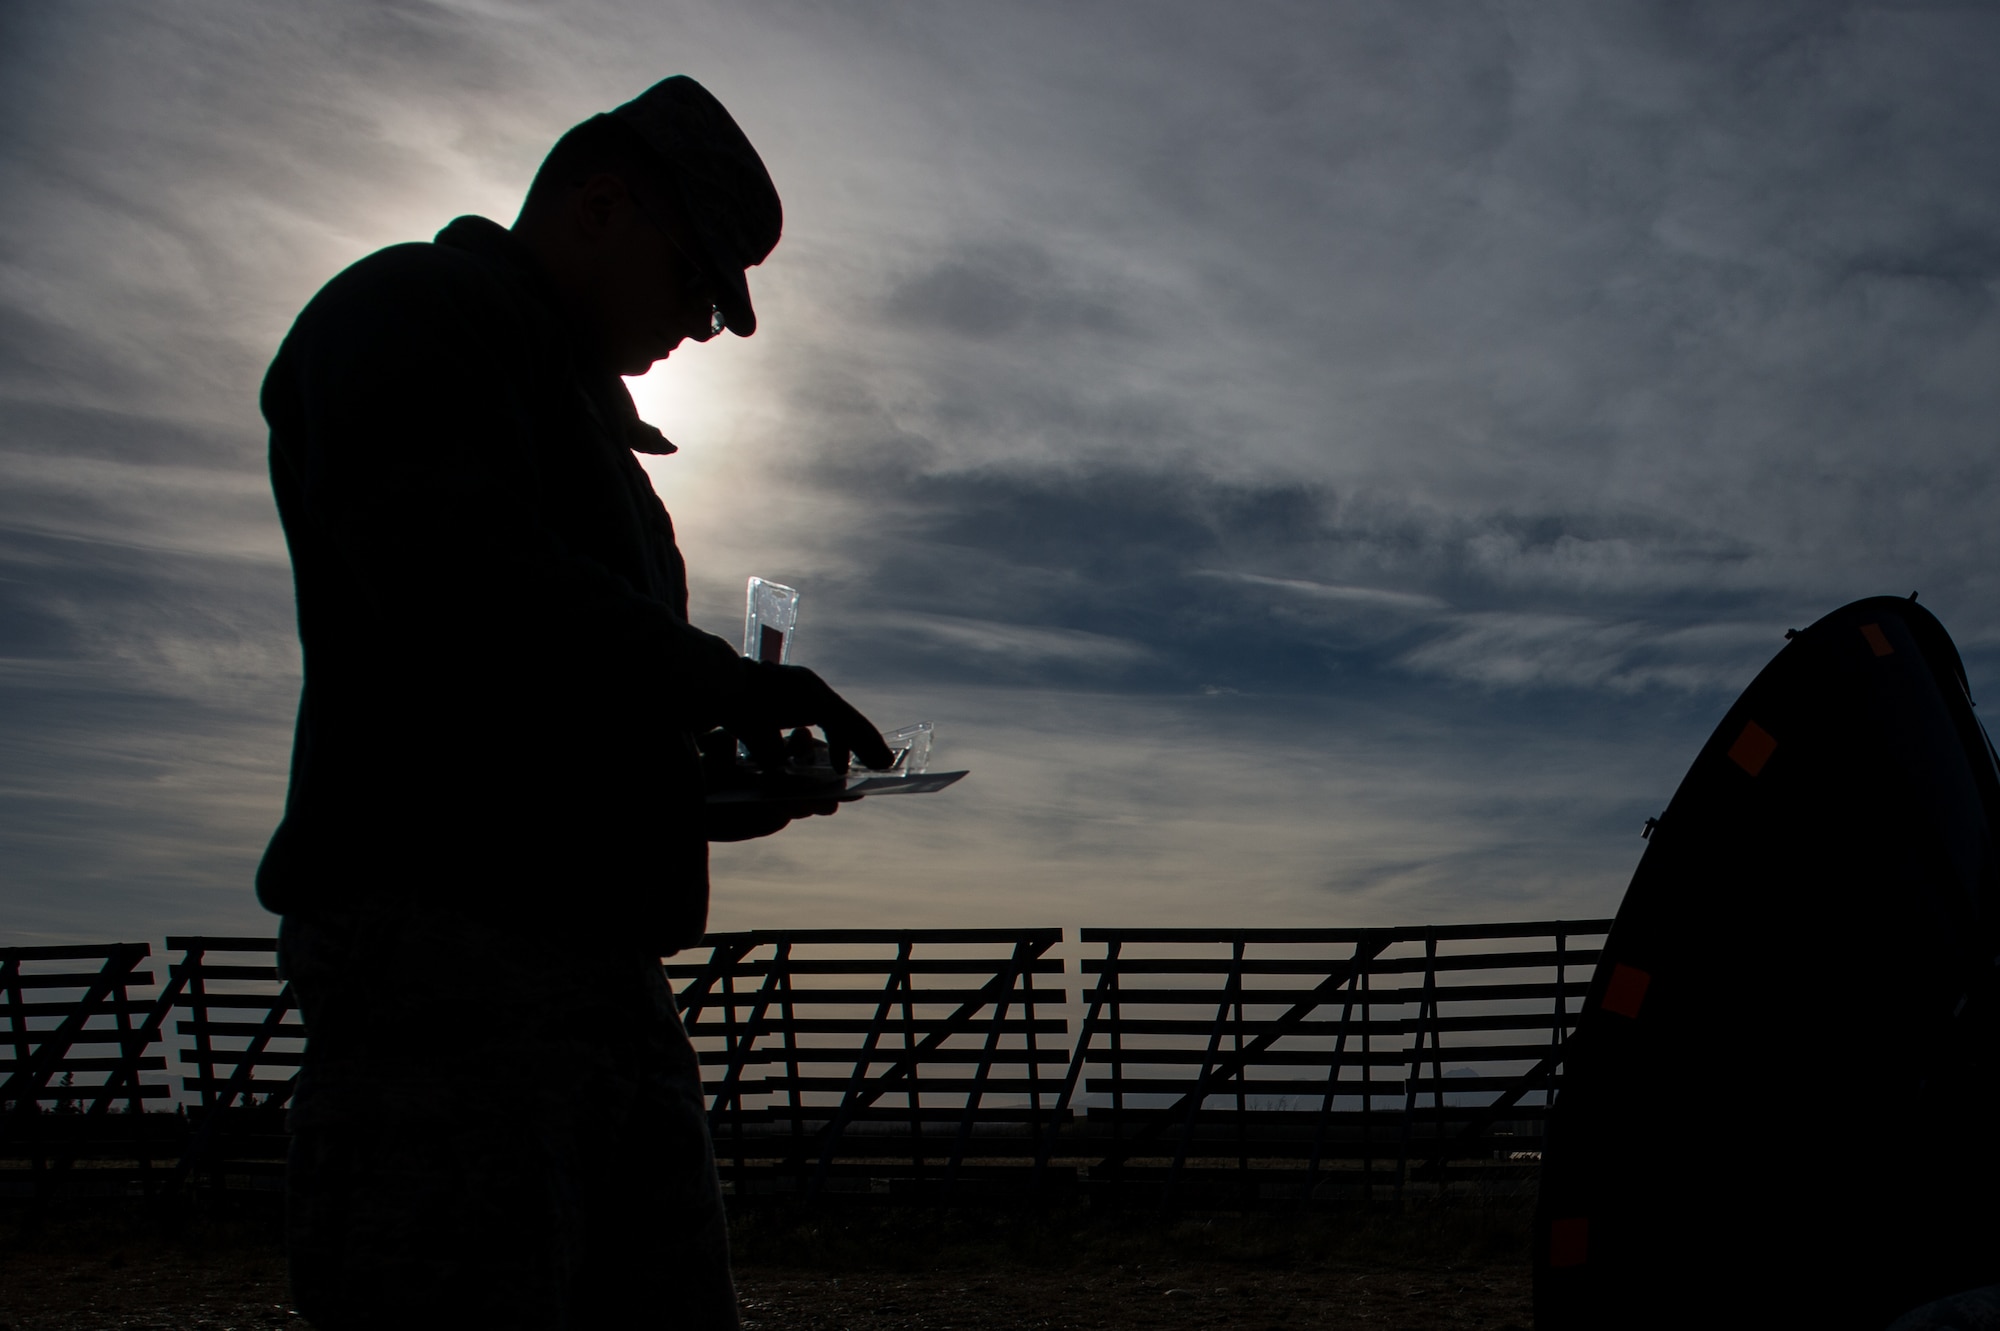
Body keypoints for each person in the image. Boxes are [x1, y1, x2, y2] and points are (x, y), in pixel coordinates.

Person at [256, 75, 890, 1328]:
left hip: (597, 970)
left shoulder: (577, 416)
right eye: (696, 282)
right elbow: (466, 580)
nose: (705, 326)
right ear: (601, 207)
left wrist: (706, 787)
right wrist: (721, 681)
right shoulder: (401, 317)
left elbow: (552, 701)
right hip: (446, 955)